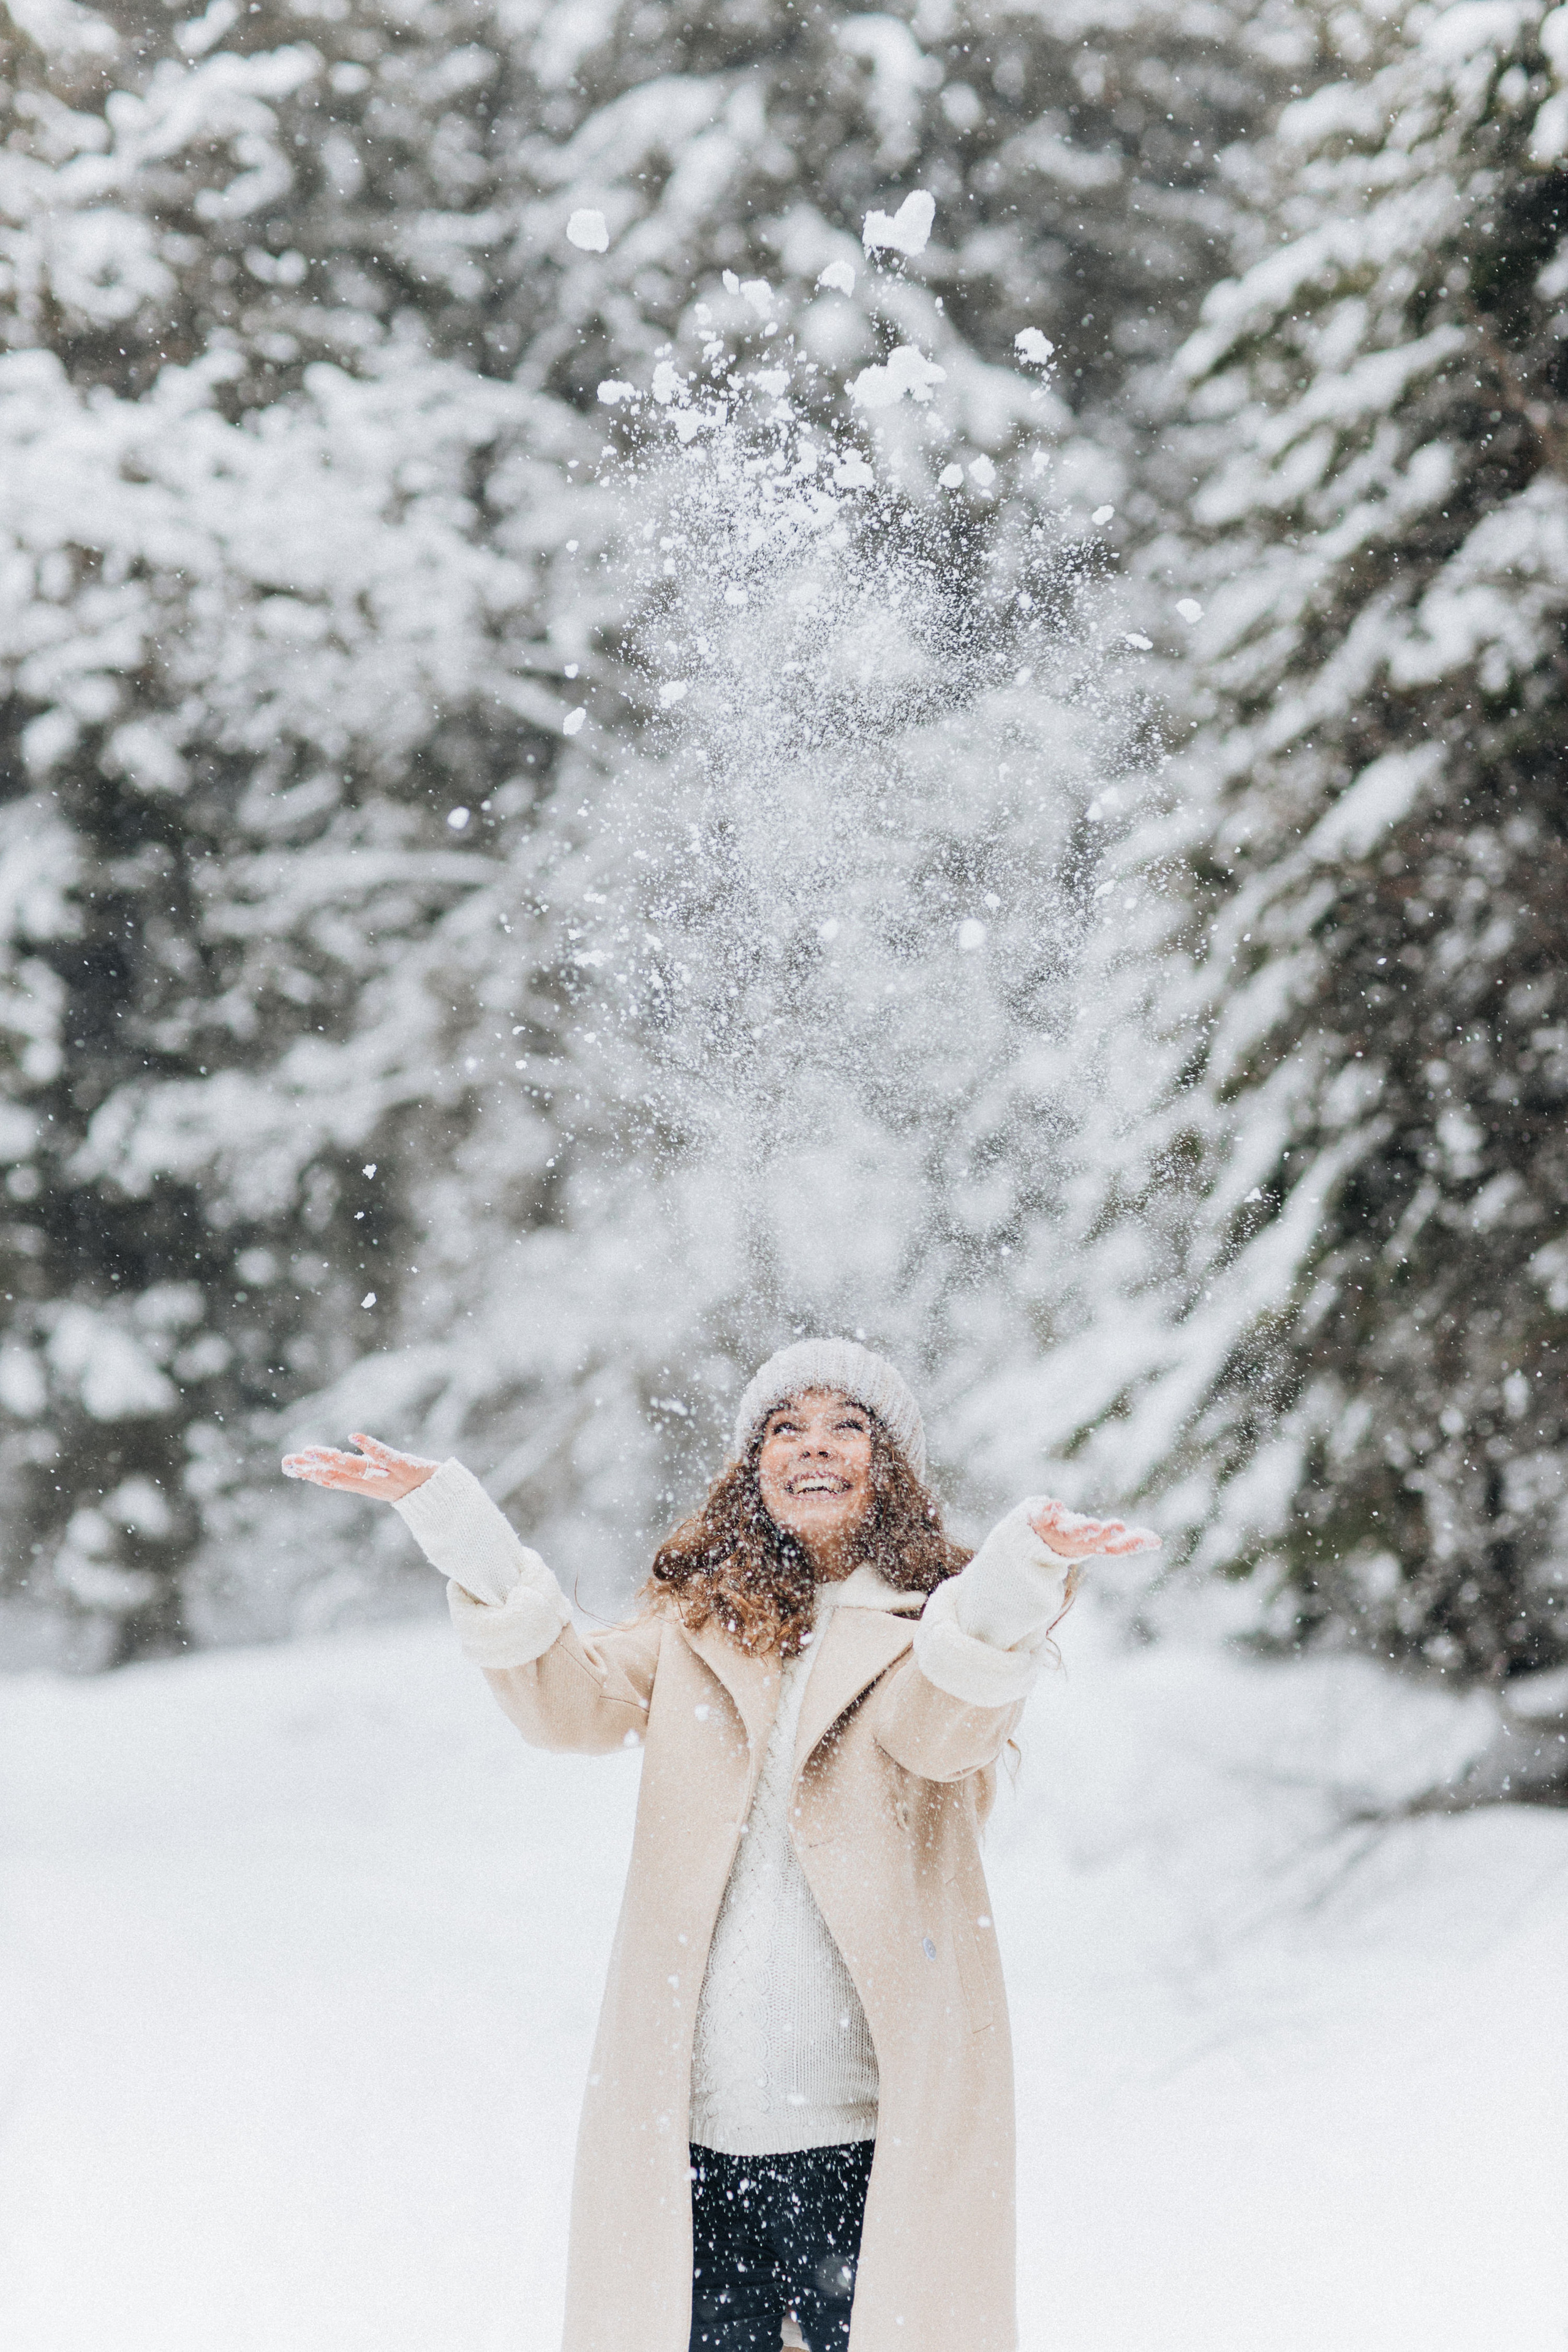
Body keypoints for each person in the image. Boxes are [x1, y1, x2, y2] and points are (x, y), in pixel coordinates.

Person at [283, 1336, 1158, 2352]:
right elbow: (568, 1702)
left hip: (869, 2141)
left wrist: (1017, 1578)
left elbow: (941, 1727)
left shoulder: (934, 1635)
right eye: (784, 1428)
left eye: (847, 1425)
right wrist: (458, 1527)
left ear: (891, 1468)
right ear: (754, 1468)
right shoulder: (696, 1630)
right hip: (696, 2145)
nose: (813, 1448)